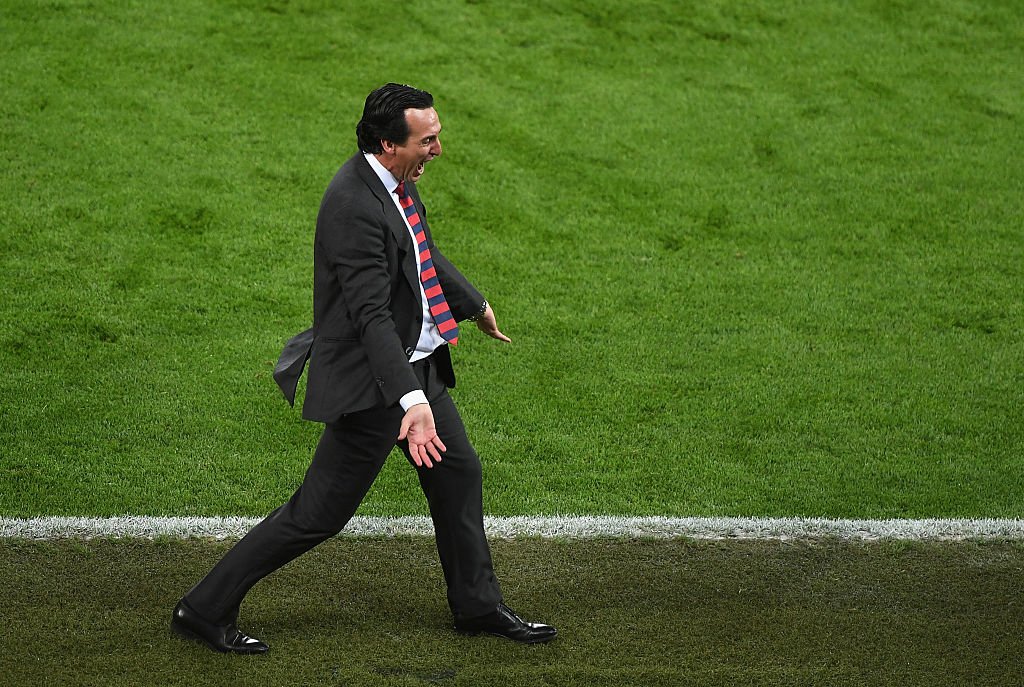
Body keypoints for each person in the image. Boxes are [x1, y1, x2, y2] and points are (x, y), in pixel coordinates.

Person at [170, 83, 556, 654]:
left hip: (414, 370)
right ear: (387, 143)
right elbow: (370, 315)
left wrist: (473, 304)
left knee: (457, 474)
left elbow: (420, 252)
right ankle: (202, 608)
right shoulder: (352, 205)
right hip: (375, 385)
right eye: (427, 141)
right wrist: (410, 402)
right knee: (318, 514)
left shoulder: (395, 181)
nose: (437, 150)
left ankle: (477, 605)